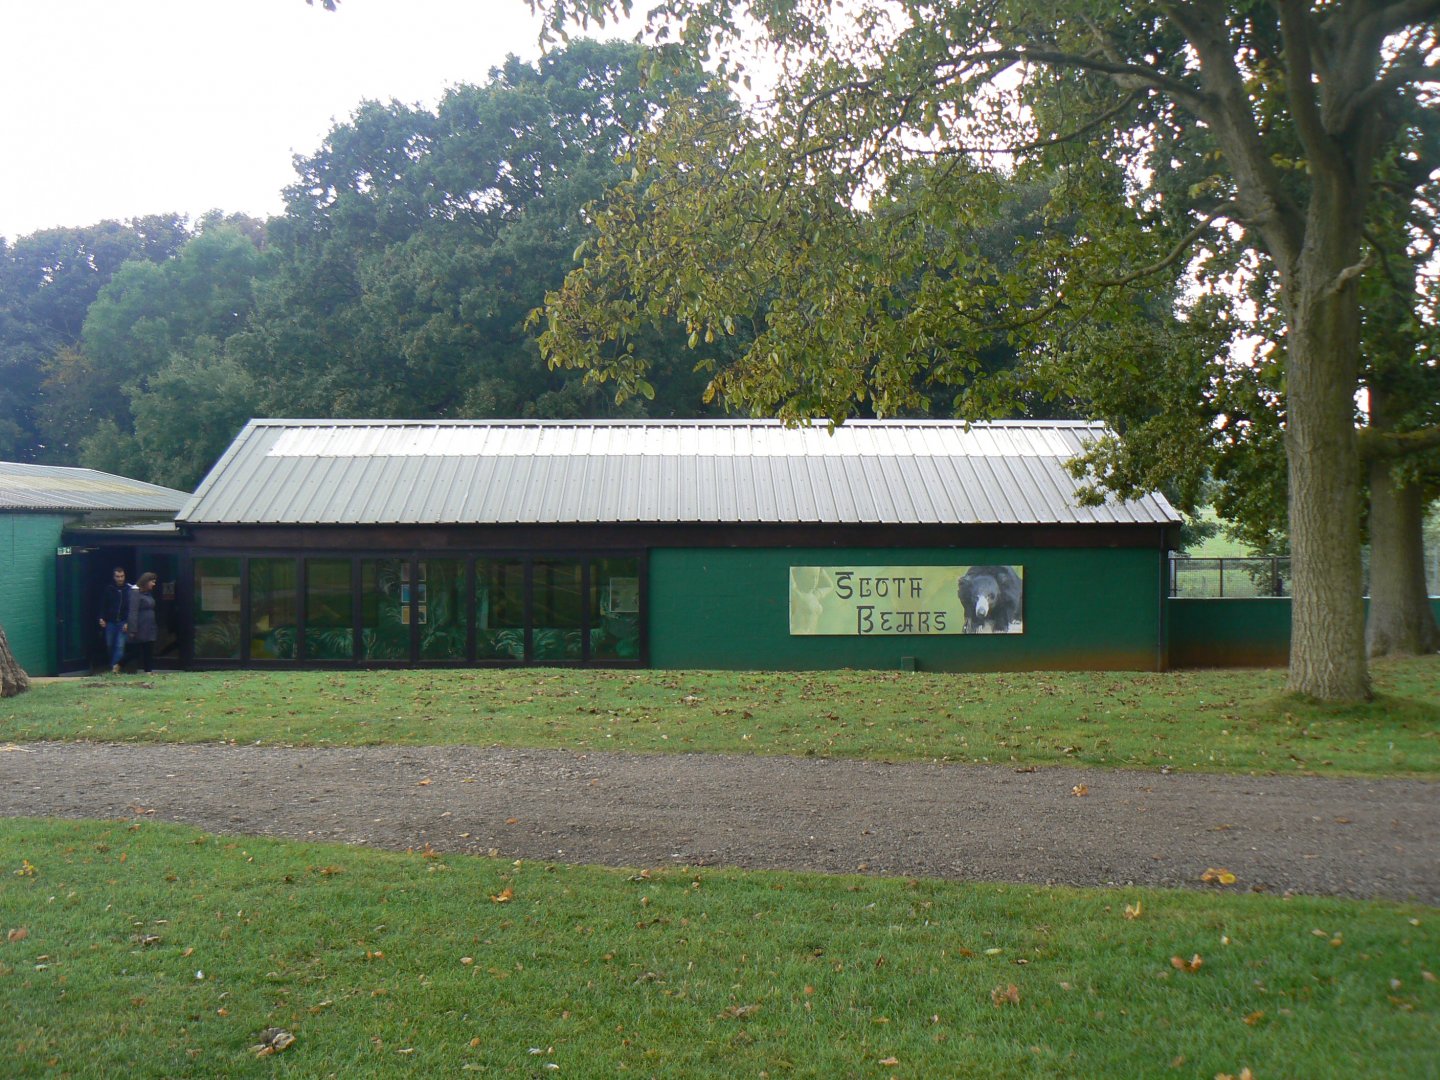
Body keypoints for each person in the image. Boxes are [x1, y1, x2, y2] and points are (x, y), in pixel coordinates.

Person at [98, 567, 133, 674]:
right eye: (118, 576)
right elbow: (103, 604)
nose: (120, 579)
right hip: (110, 622)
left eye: (122, 576)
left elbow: (132, 607)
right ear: (114, 577)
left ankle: (114, 668)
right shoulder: (109, 589)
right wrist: (101, 617)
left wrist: (128, 622)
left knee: (120, 646)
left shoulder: (129, 589)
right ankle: (113, 665)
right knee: (110, 645)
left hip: (123, 621)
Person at [127, 572, 160, 674]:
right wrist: (132, 629)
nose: (154, 584)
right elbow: (133, 611)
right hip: (141, 626)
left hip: (150, 626)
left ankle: (148, 671)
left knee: (148, 649)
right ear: (146, 582)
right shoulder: (135, 593)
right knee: (136, 651)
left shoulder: (148, 593)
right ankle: (119, 665)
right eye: (152, 582)